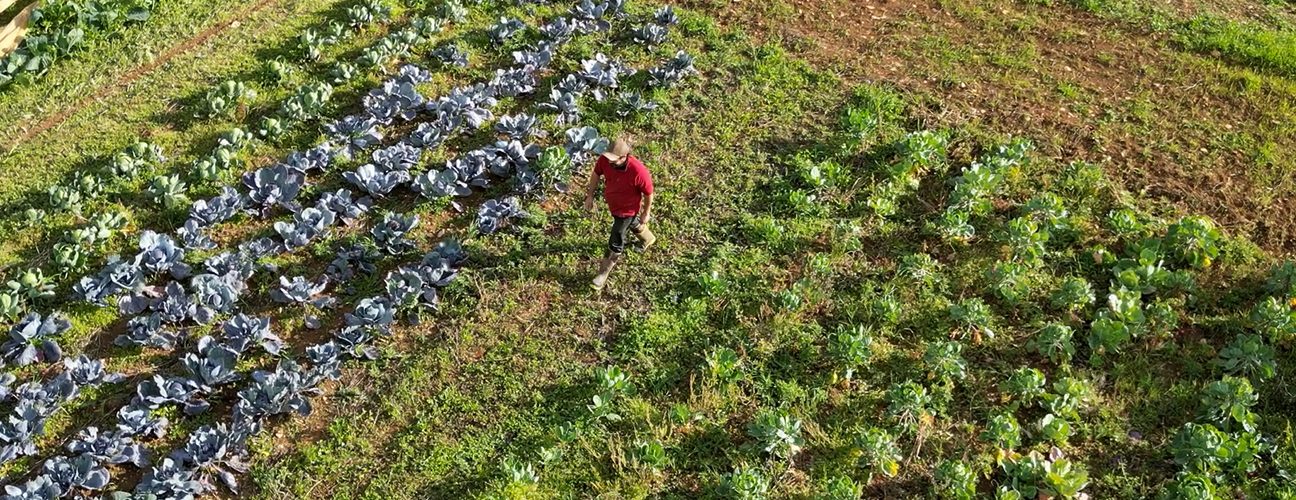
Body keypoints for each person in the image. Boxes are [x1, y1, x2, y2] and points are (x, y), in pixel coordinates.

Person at [584, 137, 656, 290]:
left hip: (627, 210)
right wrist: (590, 195)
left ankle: (603, 273)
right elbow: (596, 174)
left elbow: (649, 193)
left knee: (616, 235)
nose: (610, 162)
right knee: (630, 222)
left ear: (625, 157)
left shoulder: (638, 171)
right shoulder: (606, 161)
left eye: (614, 160)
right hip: (614, 205)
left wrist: (646, 212)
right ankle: (648, 238)